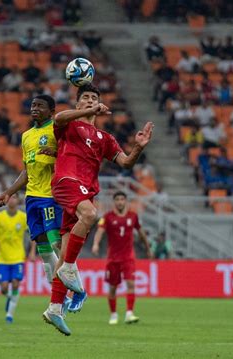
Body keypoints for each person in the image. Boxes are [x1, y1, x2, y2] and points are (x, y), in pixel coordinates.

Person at [42, 84, 153, 336]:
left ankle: (55, 307)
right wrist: (89, 109)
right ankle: (70, 267)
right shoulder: (69, 125)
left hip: (85, 189)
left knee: (66, 248)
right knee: (91, 214)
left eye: (94, 98)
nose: (91, 101)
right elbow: (57, 117)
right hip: (67, 182)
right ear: (78, 103)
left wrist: (139, 147)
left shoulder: (105, 138)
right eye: (86, 98)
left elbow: (125, 162)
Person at [0, 95, 85, 313]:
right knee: (44, 251)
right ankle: (59, 297)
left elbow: (71, 156)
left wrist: (55, 153)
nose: (34, 109)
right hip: (32, 198)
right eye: (33, 105)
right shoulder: (26, 136)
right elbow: (26, 171)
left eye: (40, 106)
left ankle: (79, 290)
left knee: (57, 245)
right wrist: (8, 192)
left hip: (51, 196)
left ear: (52, 111)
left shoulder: (57, 129)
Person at [92, 191, 152, 325]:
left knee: (131, 284)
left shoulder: (133, 216)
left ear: (126, 201)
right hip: (113, 258)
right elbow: (100, 231)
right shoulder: (107, 217)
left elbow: (141, 233)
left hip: (128, 257)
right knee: (113, 287)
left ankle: (129, 313)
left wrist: (148, 248)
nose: (120, 202)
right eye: (117, 199)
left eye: (122, 199)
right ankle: (113, 314)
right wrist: (96, 244)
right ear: (114, 202)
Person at [0, 194, 29, 324]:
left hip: (18, 256)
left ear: (18, 200)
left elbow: (31, 236)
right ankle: (11, 298)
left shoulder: (23, 217)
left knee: (15, 283)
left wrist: (31, 252)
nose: (12, 200)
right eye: (10, 198)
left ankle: (9, 315)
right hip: (3, 257)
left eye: (14, 197)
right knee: (3, 288)